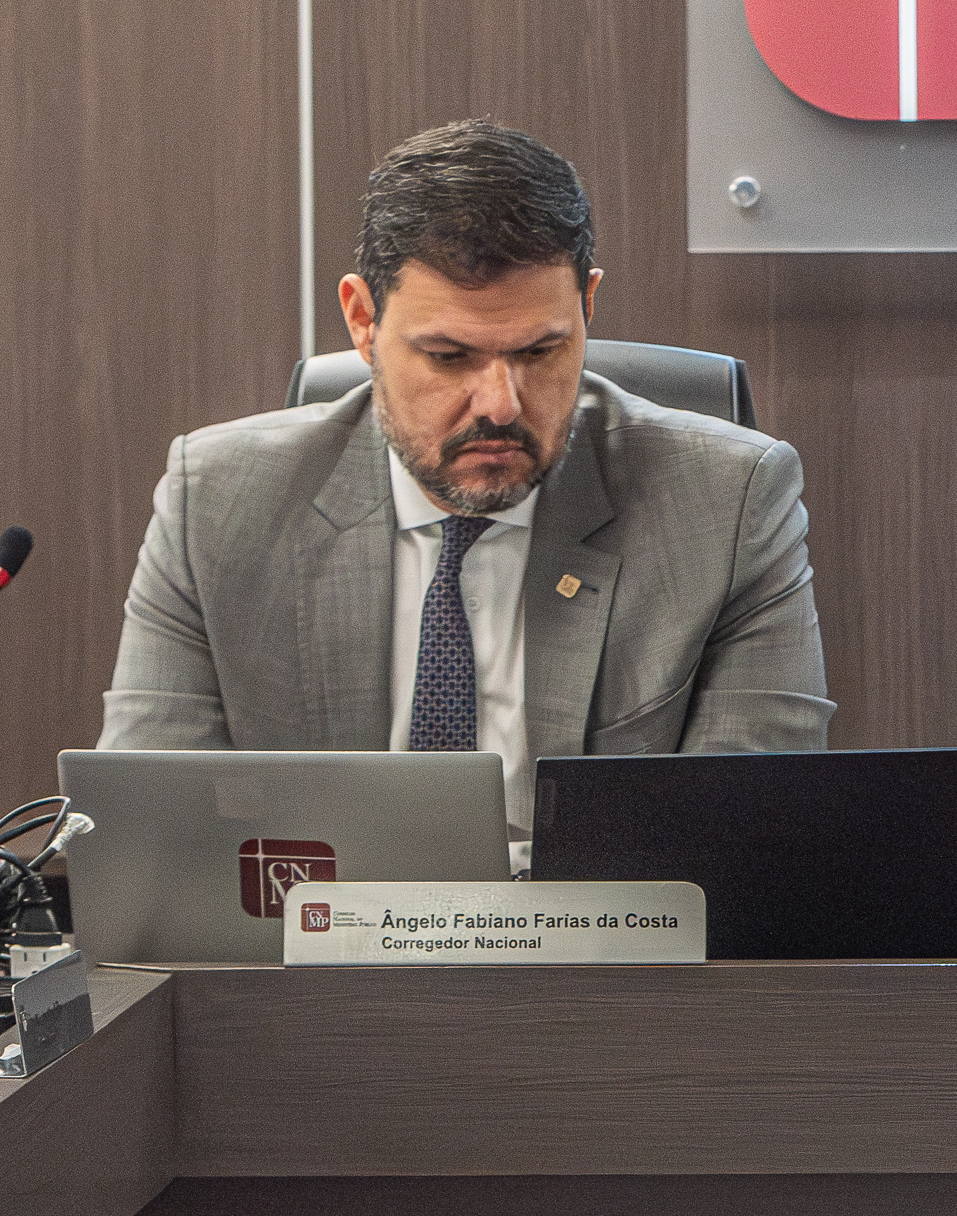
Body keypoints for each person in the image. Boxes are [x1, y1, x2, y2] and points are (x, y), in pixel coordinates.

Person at [100, 120, 833, 833]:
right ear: (362, 320)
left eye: (540, 352)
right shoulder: (217, 503)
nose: (500, 405)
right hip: (314, 919)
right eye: (449, 357)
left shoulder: (727, 505)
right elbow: (154, 831)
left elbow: (752, 837)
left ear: (587, 306)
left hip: (601, 922)